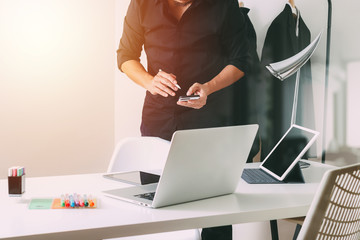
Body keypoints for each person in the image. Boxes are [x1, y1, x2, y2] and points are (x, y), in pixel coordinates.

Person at [117, 0, 249, 239]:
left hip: (208, 121)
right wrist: (149, 81)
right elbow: (125, 57)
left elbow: (241, 60)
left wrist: (208, 87)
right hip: (157, 120)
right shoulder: (141, 4)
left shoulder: (225, 4)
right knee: (154, 204)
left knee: (214, 210)